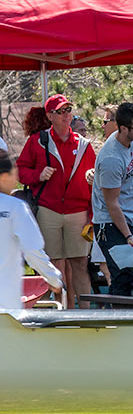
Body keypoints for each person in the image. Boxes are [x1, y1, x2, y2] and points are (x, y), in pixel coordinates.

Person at [16, 93, 95, 307]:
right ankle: (60, 310)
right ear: (50, 116)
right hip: (48, 210)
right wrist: (38, 175)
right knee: (53, 265)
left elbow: (95, 180)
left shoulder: (84, 144)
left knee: (79, 264)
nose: (66, 115)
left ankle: (86, 313)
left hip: (78, 211)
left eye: (68, 110)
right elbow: (21, 171)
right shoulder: (37, 142)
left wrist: (93, 176)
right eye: (60, 111)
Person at [91, 102, 133, 297]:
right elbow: (111, 203)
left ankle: (120, 316)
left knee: (127, 276)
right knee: (121, 278)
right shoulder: (111, 159)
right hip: (110, 224)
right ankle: (115, 319)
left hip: (128, 218)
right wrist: (128, 236)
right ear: (123, 128)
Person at [0, 150, 63, 310]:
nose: (16, 180)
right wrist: (53, 278)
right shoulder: (16, 207)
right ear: (4, 176)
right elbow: (32, 249)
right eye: (15, 174)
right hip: (6, 302)